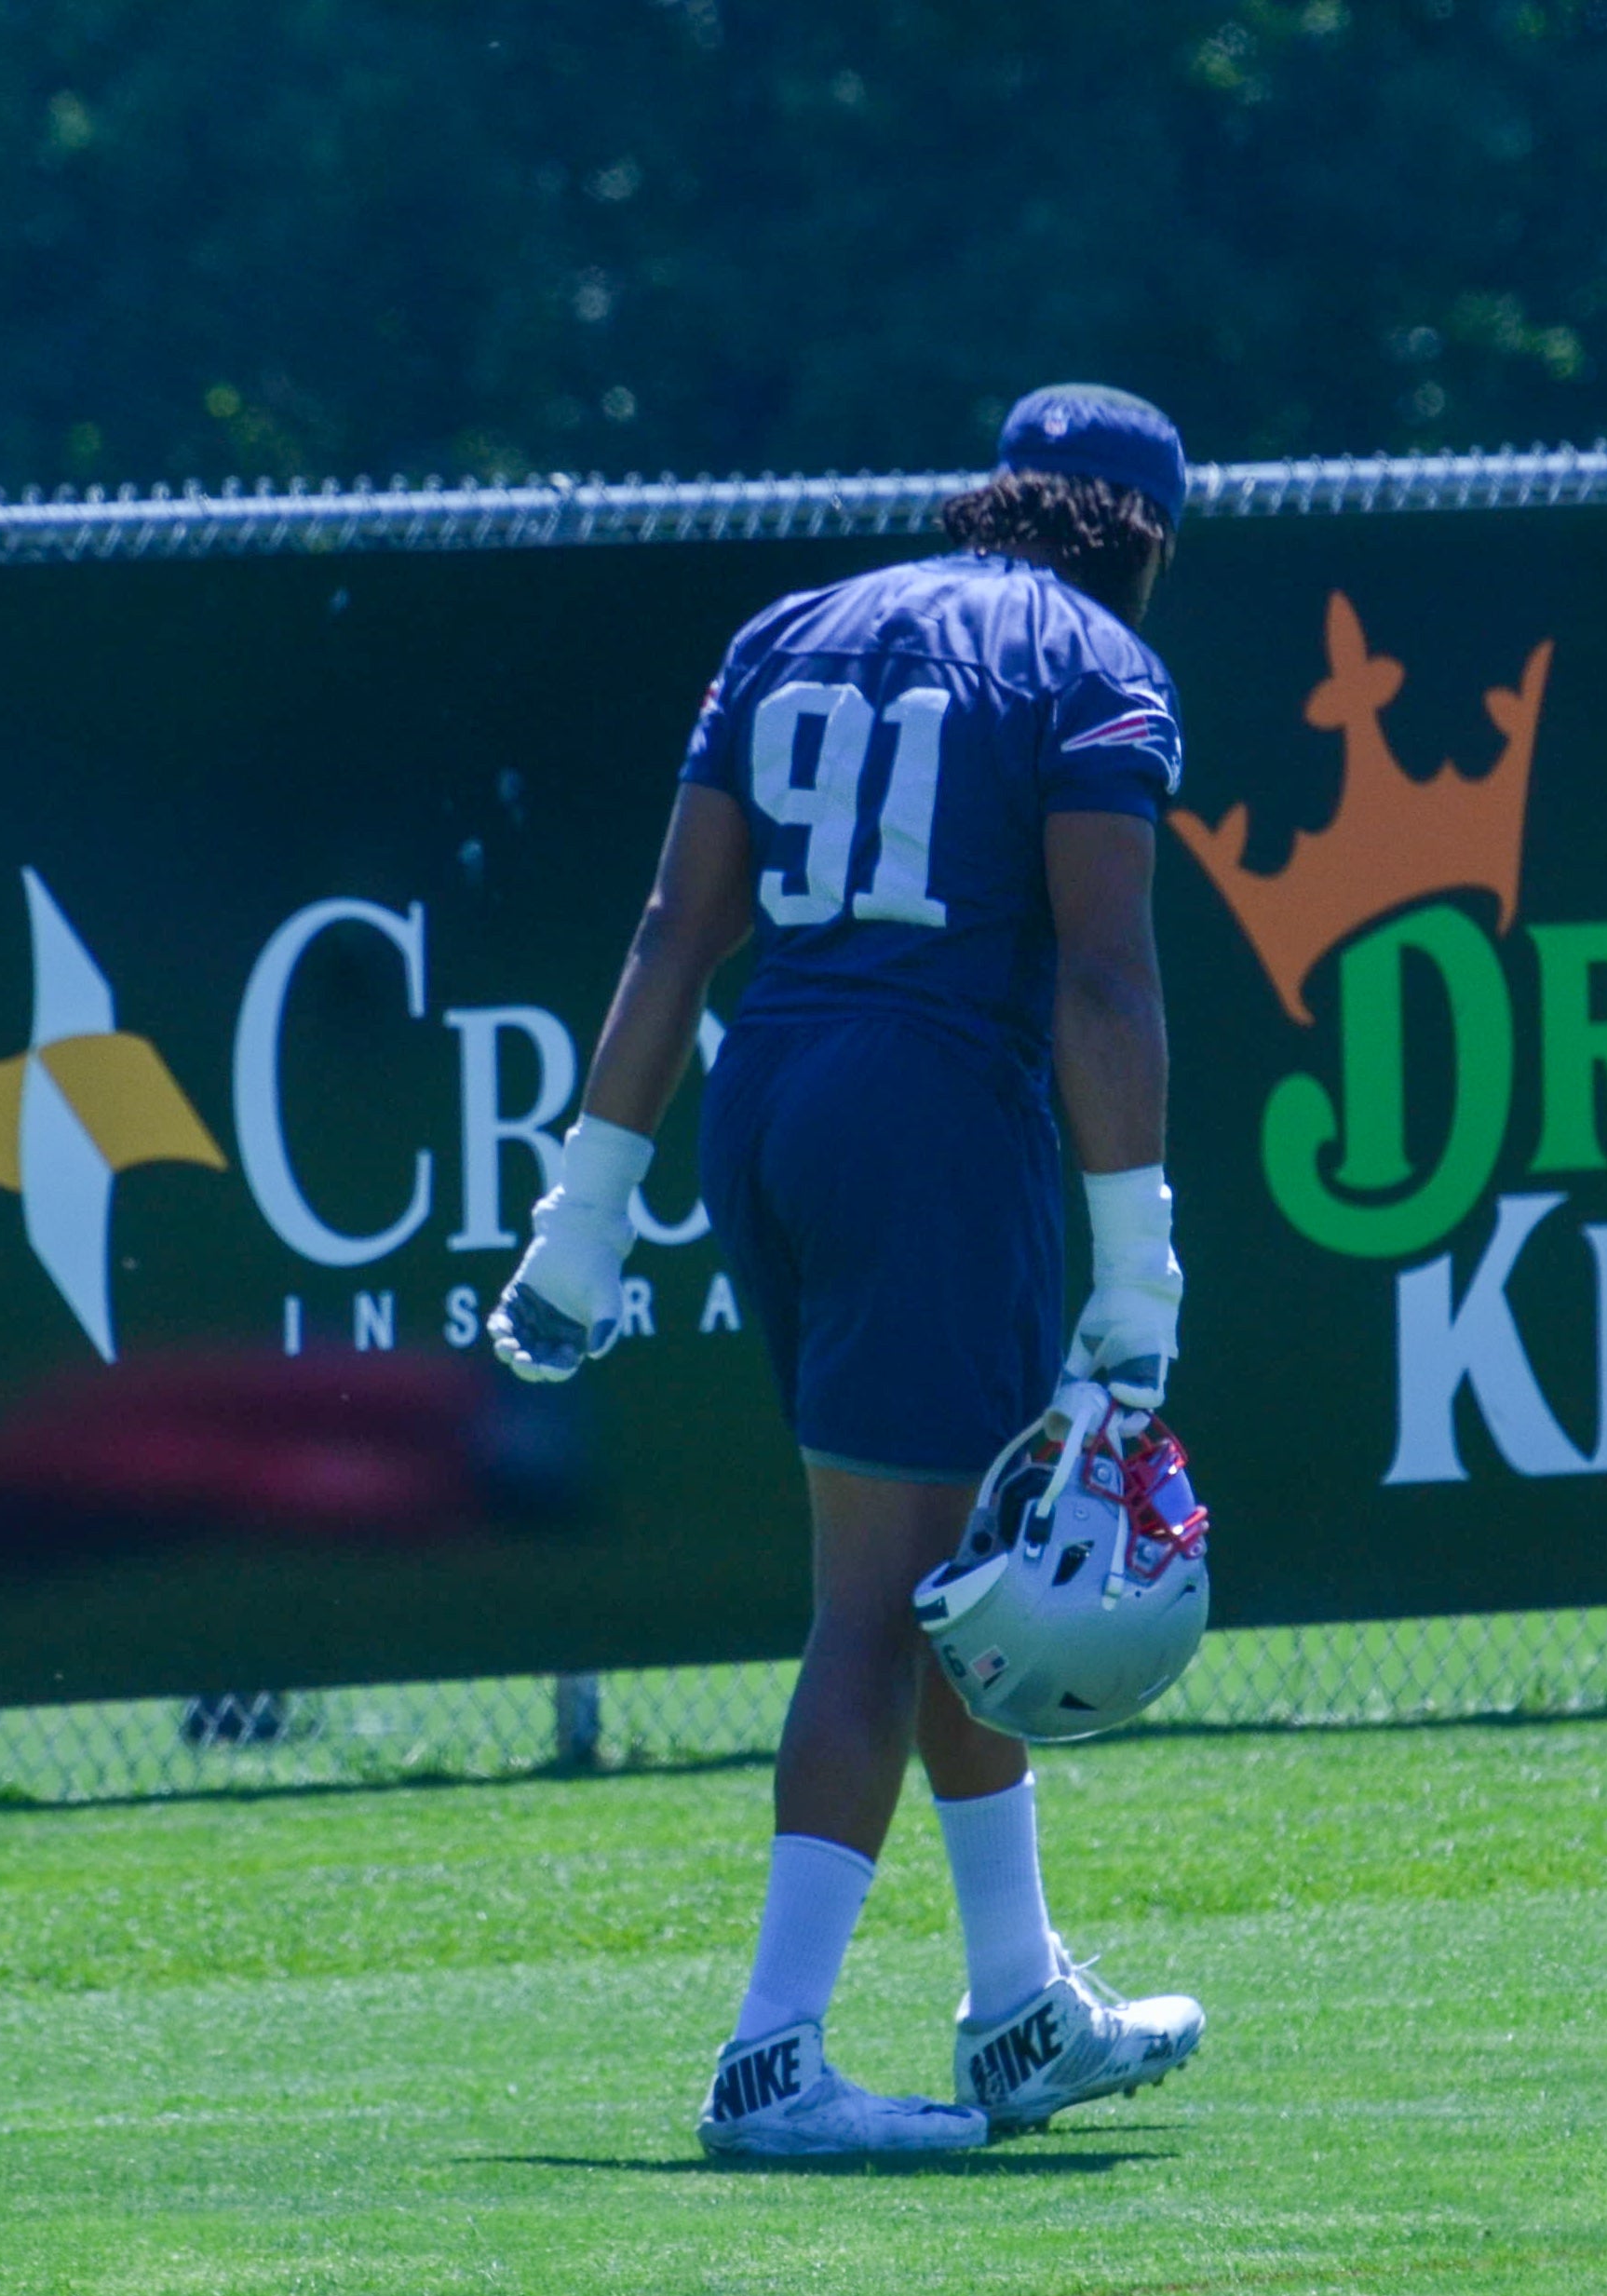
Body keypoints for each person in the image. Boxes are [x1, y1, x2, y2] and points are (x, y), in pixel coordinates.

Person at [488, 385, 1205, 2157]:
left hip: (774, 1096)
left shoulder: (795, 623)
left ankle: (1019, 2000)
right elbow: (1100, 979)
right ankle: (770, 2052)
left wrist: (587, 1209)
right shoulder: (1091, 658)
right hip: (924, 1118)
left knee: (945, 1582)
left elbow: (678, 924)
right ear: (1142, 533)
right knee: (883, 1604)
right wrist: (1141, 1269)